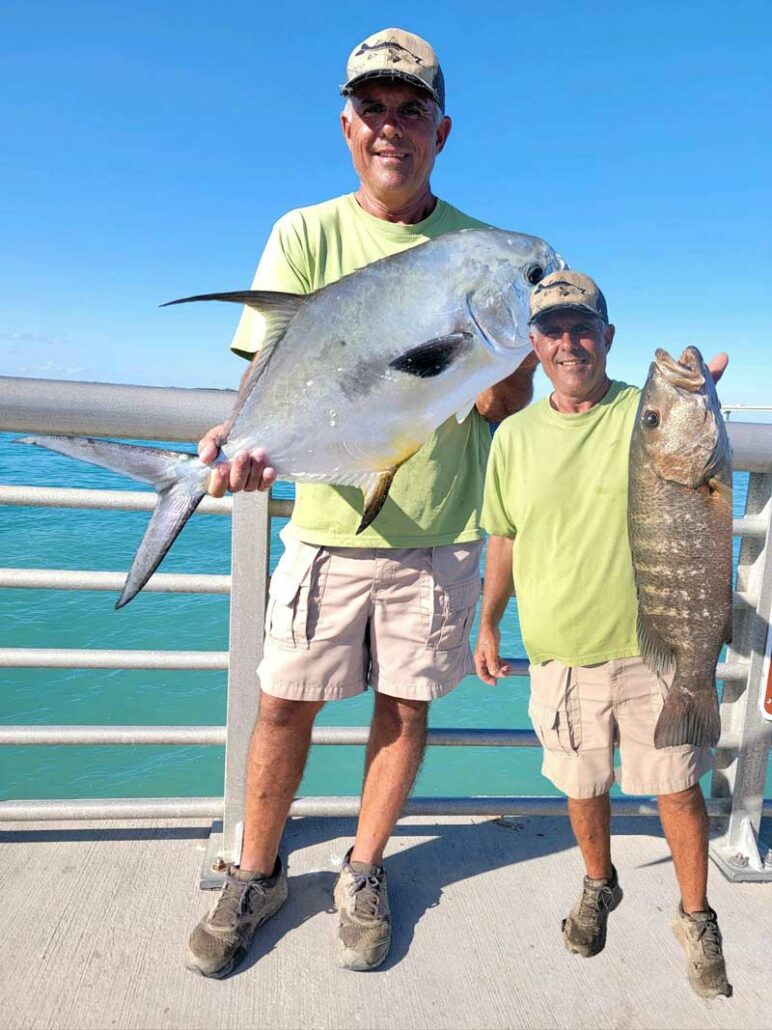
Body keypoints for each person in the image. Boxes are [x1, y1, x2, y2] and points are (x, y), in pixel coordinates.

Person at [187, 27, 538, 978]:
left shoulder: (478, 251)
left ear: (441, 129)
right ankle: (255, 871)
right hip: (326, 523)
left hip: (438, 531)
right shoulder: (305, 235)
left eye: (410, 109)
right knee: (283, 706)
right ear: (348, 127)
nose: (392, 126)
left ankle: (365, 867)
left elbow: (507, 399)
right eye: (373, 109)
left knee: (406, 711)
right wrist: (237, 442)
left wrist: (500, 361)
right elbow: (271, 369)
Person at [474, 270, 732, 999]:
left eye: (582, 327)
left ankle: (697, 913)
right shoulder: (514, 436)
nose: (568, 342)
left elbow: (693, 446)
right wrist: (488, 622)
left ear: (606, 337)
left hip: (656, 649)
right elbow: (504, 537)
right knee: (583, 786)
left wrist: (695, 395)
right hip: (560, 648)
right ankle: (599, 882)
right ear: (534, 345)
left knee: (677, 788)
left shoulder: (639, 413)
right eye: (552, 331)